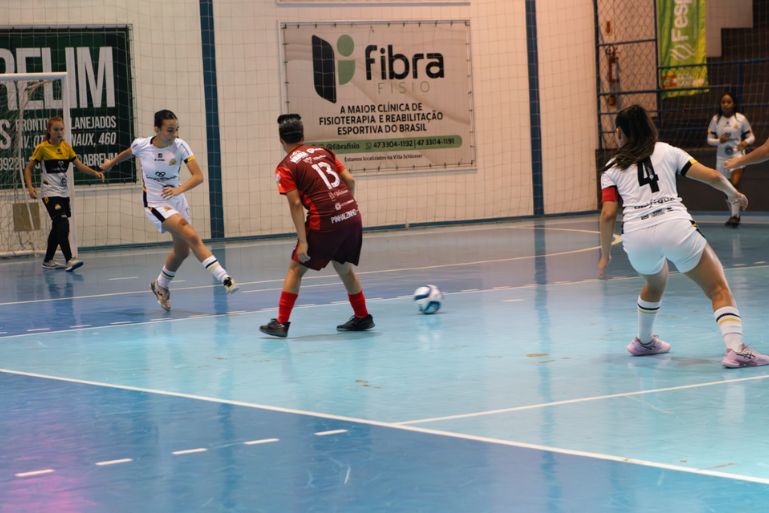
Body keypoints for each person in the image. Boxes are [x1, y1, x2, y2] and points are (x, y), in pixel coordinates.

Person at [599, 104, 769, 368]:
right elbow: (712, 176)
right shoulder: (668, 150)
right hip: (674, 226)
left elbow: (608, 214)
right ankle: (736, 349)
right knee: (717, 287)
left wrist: (605, 253)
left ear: (619, 132)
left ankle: (643, 342)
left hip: (636, 236)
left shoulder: (611, 167)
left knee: (655, 282)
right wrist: (733, 194)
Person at [101, 109, 238, 310]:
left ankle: (160, 285)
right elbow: (128, 153)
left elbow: (198, 176)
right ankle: (225, 278)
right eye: (170, 130)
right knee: (191, 236)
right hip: (156, 203)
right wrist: (110, 163)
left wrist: (178, 190)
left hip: (177, 200)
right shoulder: (142, 145)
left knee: (182, 251)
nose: (174, 134)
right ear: (157, 129)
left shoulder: (181, 146)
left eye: (176, 129)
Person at [259, 113, 373, 338]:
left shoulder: (286, 167)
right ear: (303, 135)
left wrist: (303, 242)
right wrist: (342, 206)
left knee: (296, 268)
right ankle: (362, 316)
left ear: (281, 140)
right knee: (343, 265)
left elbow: (295, 203)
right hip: (352, 214)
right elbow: (350, 181)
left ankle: (281, 323)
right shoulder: (323, 151)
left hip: (326, 220)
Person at [24, 116, 105, 271]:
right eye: (56, 130)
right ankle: (70, 259)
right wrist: (30, 187)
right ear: (49, 131)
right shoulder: (42, 148)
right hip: (49, 193)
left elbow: (79, 165)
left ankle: (48, 260)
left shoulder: (66, 148)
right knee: (62, 222)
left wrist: (95, 173)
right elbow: (28, 167)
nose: (59, 132)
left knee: (58, 227)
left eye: (61, 129)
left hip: (63, 194)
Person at [706, 92, 755, 227]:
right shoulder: (715, 120)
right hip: (722, 159)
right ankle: (734, 215)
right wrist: (719, 141)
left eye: (729, 102)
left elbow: (751, 137)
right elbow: (709, 140)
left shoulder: (741, 119)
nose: (726, 104)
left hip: (737, 157)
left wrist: (745, 143)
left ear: (734, 104)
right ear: (720, 104)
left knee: (734, 184)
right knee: (726, 188)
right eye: (723, 102)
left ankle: (735, 216)